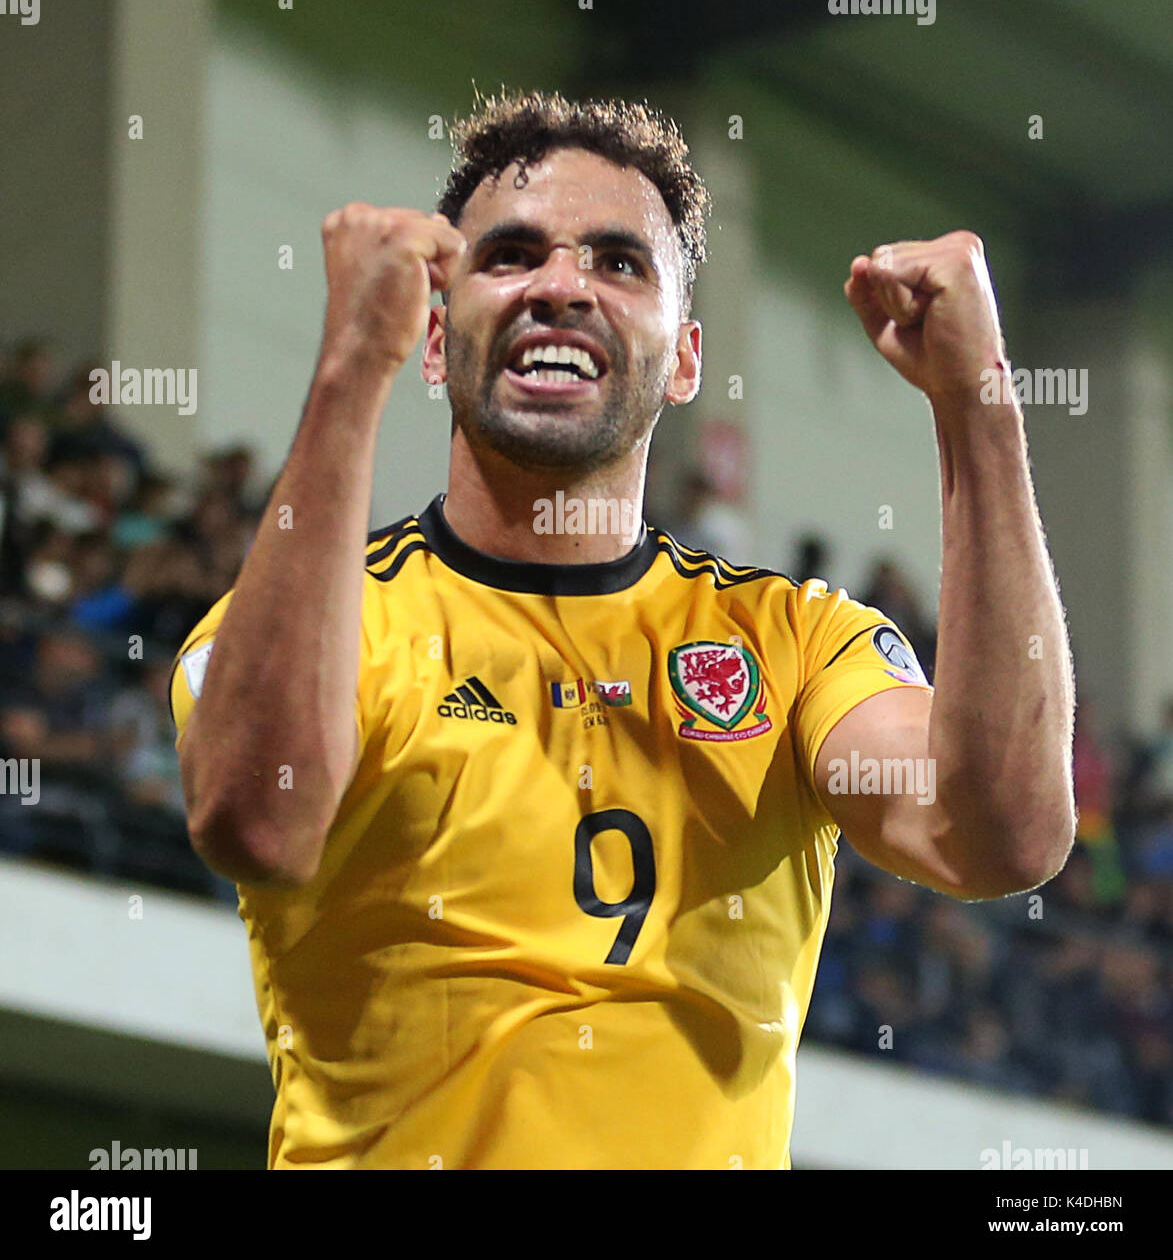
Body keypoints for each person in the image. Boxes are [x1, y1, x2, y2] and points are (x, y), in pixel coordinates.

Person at [170, 88, 1076, 1170]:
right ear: (430, 337)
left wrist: (980, 405)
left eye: (618, 262)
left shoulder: (790, 642)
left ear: (686, 359)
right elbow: (254, 823)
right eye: (509, 256)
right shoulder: (323, 620)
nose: (561, 287)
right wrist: (344, 375)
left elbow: (1003, 833)